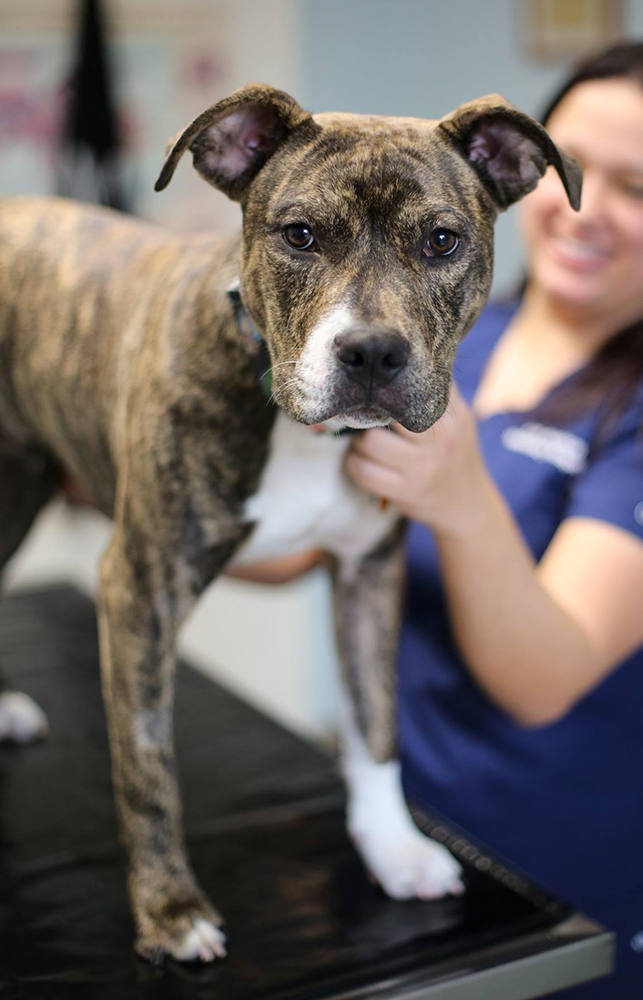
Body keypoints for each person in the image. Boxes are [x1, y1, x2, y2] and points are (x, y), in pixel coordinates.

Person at [231, 42, 643, 998]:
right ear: (526, 169)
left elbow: (542, 680)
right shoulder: (457, 331)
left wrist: (460, 498)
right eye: (579, 169)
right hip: (404, 832)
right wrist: (120, 485)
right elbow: (304, 544)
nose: (587, 208)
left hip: (564, 877)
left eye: (637, 187)